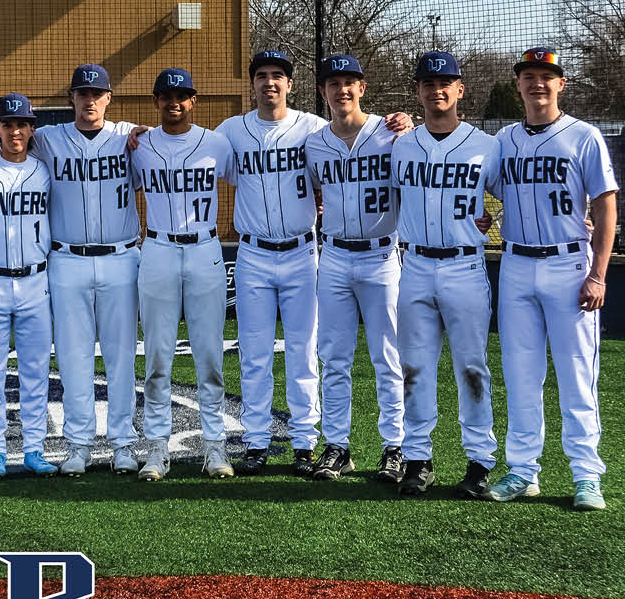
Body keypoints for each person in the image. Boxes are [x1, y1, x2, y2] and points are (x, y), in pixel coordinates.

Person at [488, 47, 617, 509]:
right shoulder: (503, 139)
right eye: (529, 76)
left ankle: (587, 476)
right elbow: (473, 182)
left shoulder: (584, 136)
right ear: (518, 84)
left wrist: (598, 275)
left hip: (568, 266)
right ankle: (523, 471)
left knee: (577, 376)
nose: (537, 83)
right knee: (522, 377)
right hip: (517, 264)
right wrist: (481, 220)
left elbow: (605, 207)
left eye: (547, 76)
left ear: (561, 83)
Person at [390, 51, 500, 498]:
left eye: (445, 82)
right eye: (428, 83)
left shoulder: (486, 145)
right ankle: (418, 458)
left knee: (472, 367)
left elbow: (518, 193)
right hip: (413, 265)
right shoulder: (400, 143)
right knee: (414, 366)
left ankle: (479, 461)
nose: (437, 89)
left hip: (465, 265)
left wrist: (578, 224)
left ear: (459, 90)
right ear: (417, 92)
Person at [213, 50, 326, 477]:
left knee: (303, 351)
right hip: (253, 254)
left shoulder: (314, 128)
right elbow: (194, 152)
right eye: (261, 75)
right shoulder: (231, 131)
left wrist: (400, 123)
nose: (269, 82)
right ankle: (257, 442)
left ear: (290, 84)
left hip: (301, 252)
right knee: (255, 355)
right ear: (253, 84)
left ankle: (304, 443)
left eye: (278, 75)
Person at [33, 64, 143, 476]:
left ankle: (122, 444)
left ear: (109, 98)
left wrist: (144, 131)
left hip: (120, 257)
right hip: (66, 260)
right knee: (74, 357)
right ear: (71, 99)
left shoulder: (129, 137)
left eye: (97, 94)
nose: (90, 100)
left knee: (120, 356)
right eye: (82, 94)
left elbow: (158, 141)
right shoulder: (48, 139)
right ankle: (77, 444)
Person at [305, 54, 406, 484]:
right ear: (323, 92)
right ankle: (338, 446)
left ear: (362, 88)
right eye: (333, 83)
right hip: (333, 257)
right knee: (334, 356)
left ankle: (395, 447)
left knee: (388, 356)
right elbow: (308, 190)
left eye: (350, 82)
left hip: (382, 255)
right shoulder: (313, 142)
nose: (341, 90)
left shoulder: (393, 132)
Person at [129, 67, 230, 483]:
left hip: (206, 248)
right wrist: (130, 132)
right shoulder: (138, 145)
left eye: (182, 94)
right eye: (166, 95)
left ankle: (215, 445)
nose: (175, 101)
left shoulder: (218, 143)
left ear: (194, 100)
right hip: (156, 248)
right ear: (155, 102)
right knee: (157, 357)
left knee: (209, 355)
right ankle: (156, 449)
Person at [0, 94, 56, 478]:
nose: (15, 130)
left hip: (36, 278)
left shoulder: (43, 171)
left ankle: (34, 448)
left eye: (22, 124)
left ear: (32, 129)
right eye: (8, 124)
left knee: (35, 371)